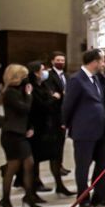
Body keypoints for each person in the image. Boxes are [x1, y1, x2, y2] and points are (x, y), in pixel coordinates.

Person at [61, 48, 105, 207]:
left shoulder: (95, 79)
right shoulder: (77, 79)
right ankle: (83, 199)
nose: (104, 64)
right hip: (84, 131)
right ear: (95, 61)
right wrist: (65, 123)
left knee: (103, 164)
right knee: (83, 166)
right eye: (102, 60)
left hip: (100, 130)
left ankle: (100, 195)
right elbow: (68, 105)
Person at [0, 64, 41, 207]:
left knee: (29, 164)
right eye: (23, 76)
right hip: (11, 135)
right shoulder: (9, 92)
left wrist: (30, 128)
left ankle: (29, 196)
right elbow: (24, 109)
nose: (26, 79)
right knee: (12, 168)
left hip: (21, 133)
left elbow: (27, 115)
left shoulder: (19, 91)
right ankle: (5, 200)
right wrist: (29, 95)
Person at [26, 61, 72, 196]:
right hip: (39, 127)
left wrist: (54, 98)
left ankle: (59, 185)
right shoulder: (32, 88)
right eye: (42, 70)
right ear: (35, 72)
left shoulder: (44, 85)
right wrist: (54, 98)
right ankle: (36, 183)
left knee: (55, 156)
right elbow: (40, 106)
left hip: (52, 125)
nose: (44, 71)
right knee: (37, 157)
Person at [44, 50, 69, 179]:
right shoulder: (49, 76)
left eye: (62, 60)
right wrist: (59, 94)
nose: (60, 62)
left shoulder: (67, 76)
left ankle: (60, 164)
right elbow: (50, 92)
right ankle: (56, 166)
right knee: (55, 144)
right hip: (54, 114)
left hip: (63, 113)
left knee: (61, 142)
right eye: (58, 60)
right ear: (53, 61)